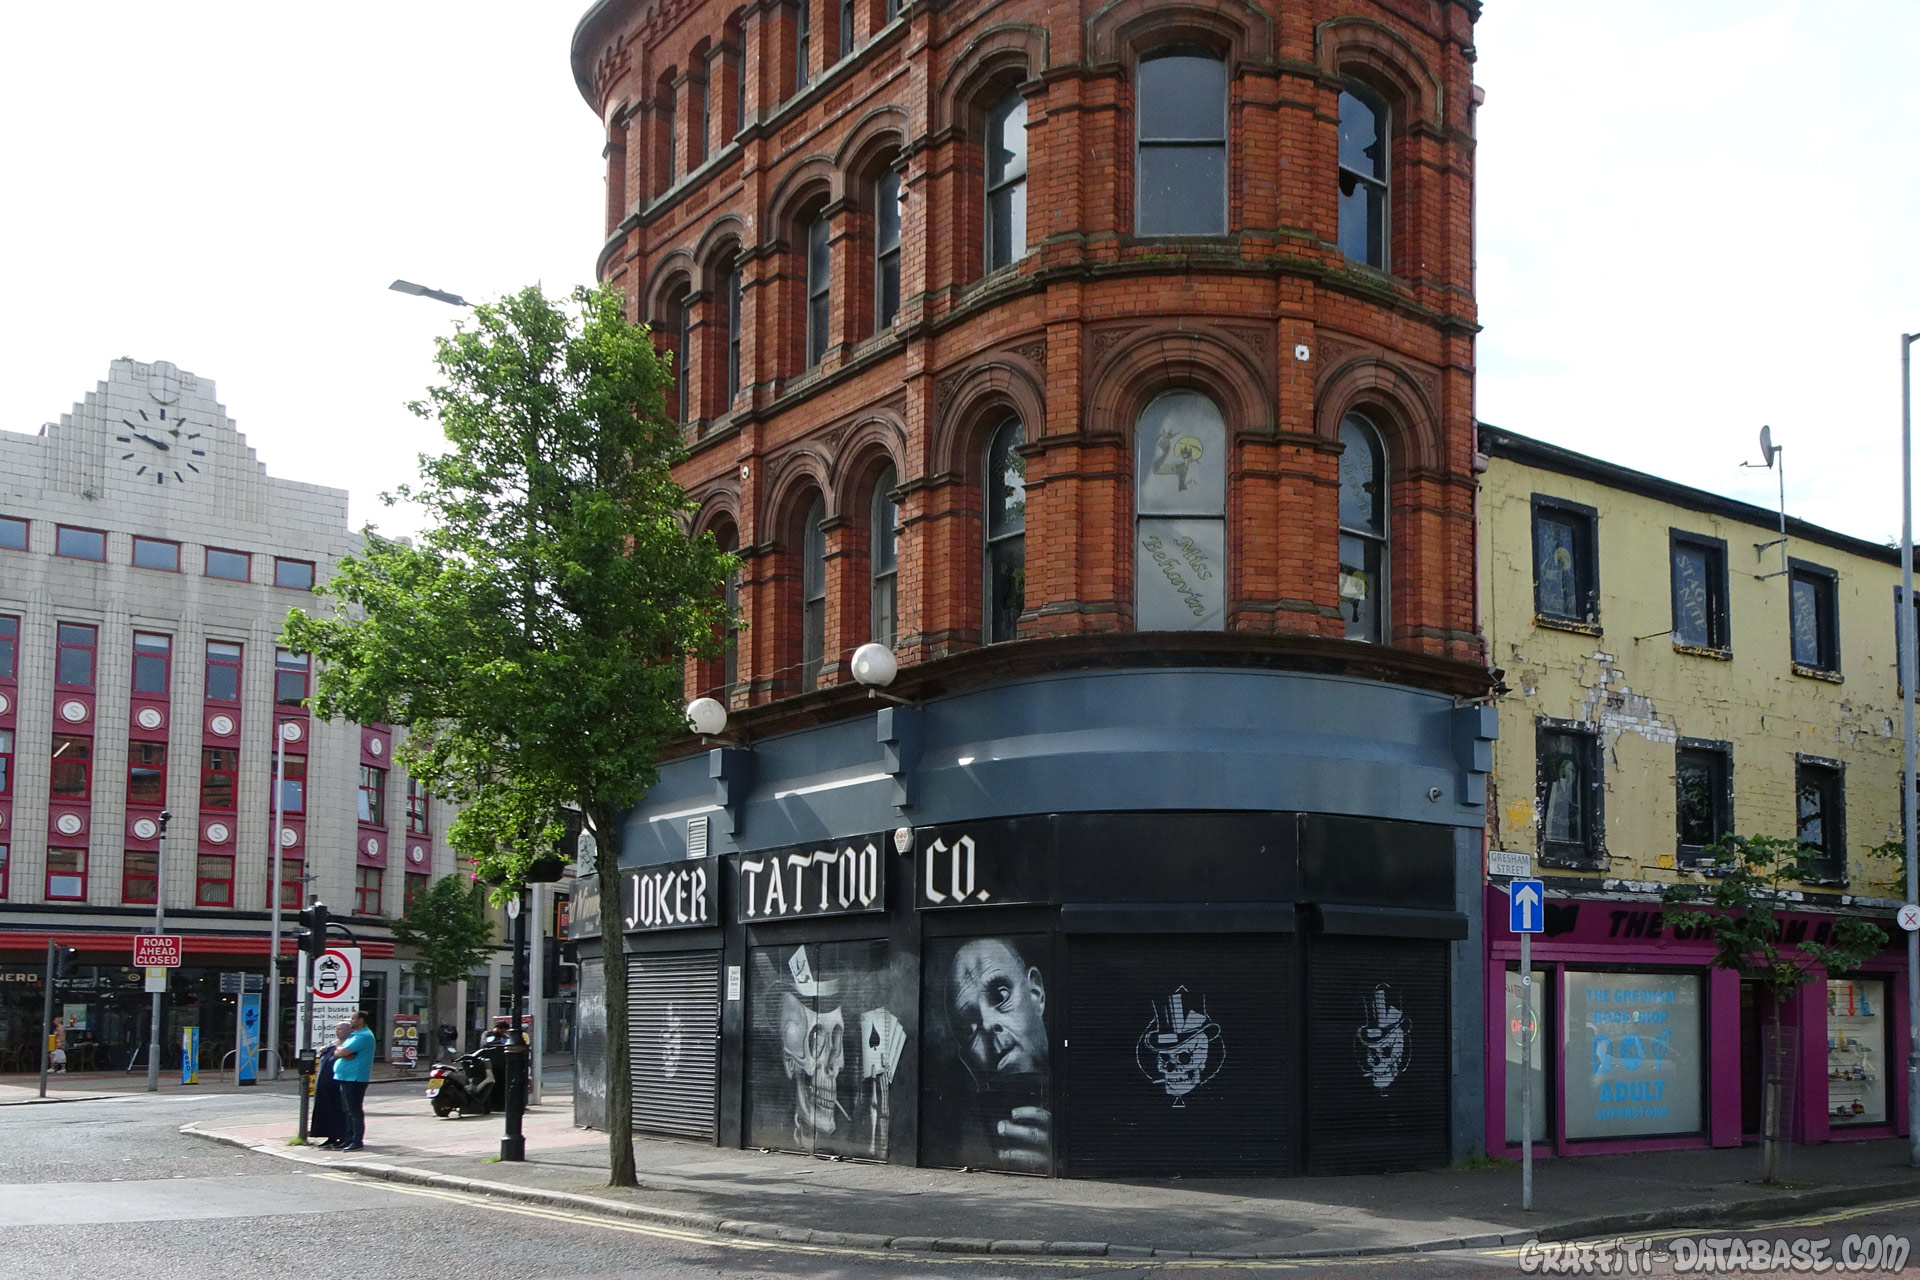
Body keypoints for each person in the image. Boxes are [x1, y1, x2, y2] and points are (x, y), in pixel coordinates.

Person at [945, 937, 1051, 1171]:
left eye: (1001, 996)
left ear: (1036, 994)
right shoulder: (969, 1136)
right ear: (968, 1062)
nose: (987, 1024)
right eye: (970, 1027)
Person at [330, 1009, 376, 1152]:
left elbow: (343, 1051)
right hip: (345, 1077)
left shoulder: (364, 1036)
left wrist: (339, 1048)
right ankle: (348, 1138)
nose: (351, 1021)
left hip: (355, 1078)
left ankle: (357, 1141)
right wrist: (341, 1051)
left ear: (361, 1020)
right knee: (347, 1111)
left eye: (353, 1018)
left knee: (354, 1111)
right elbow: (340, 1052)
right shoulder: (354, 1035)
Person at [311, 1022, 351, 1148]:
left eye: (340, 1029)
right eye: (336, 1029)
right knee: (326, 1109)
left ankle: (342, 1136)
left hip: (338, 1083)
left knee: (339, 1110)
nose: (337, 1031)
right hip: (325, 1084)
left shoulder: (349, 1044)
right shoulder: (333, 1044)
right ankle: (330, 1136)